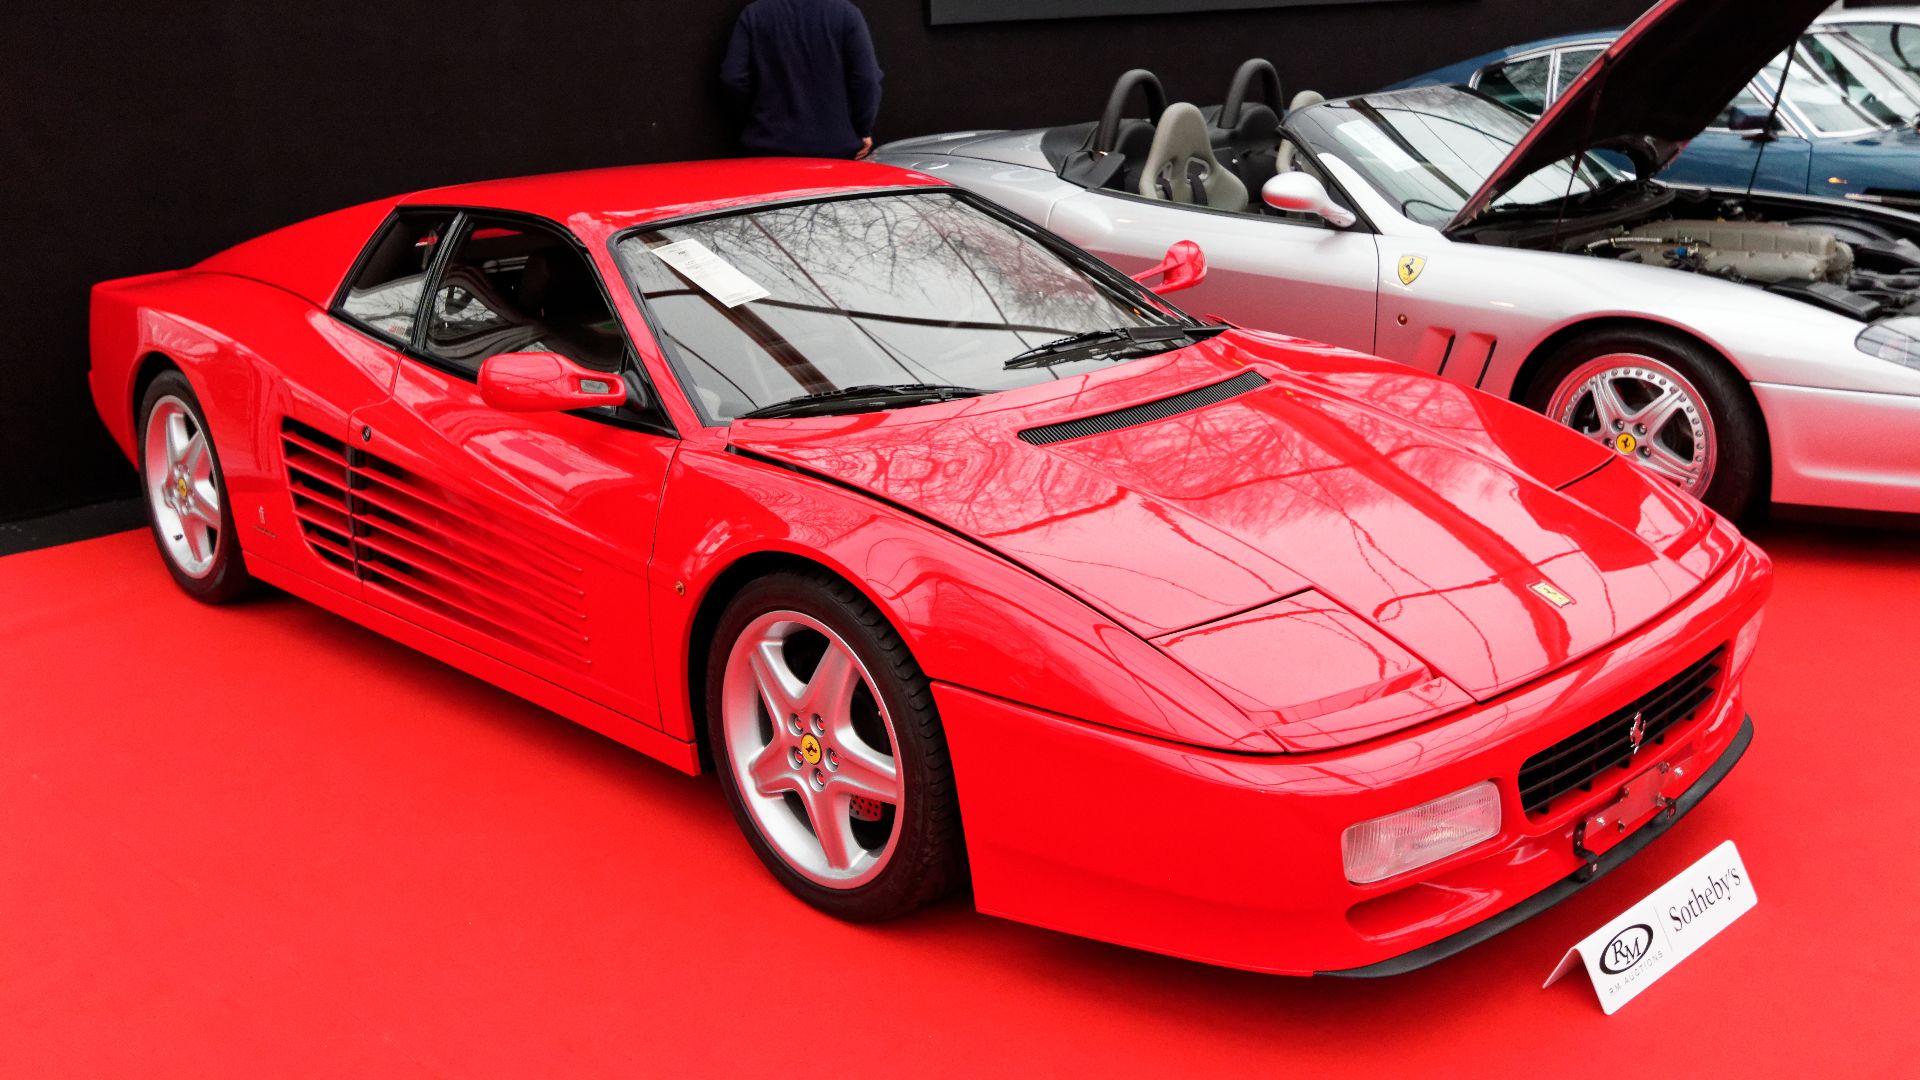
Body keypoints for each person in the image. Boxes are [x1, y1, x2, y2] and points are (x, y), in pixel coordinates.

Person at [720, 0, 883, 160]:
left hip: (767, 144)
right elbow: (867, 79)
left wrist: (755, 117)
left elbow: (733, 77)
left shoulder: (754, 13)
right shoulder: (846, 13)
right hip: (834, 148)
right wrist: (863, 128)